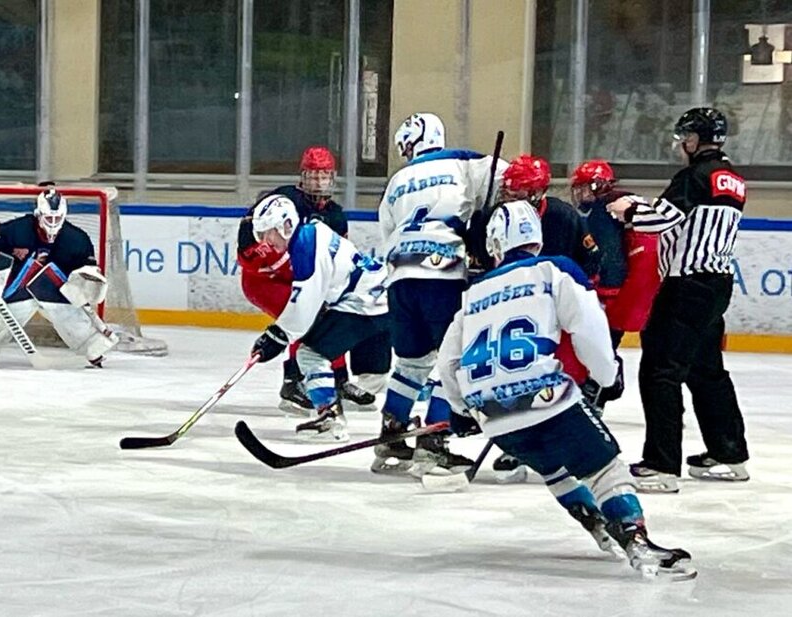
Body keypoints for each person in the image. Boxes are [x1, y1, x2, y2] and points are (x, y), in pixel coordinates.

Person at [435, 200, 695, 581]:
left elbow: (448, 363)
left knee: (554, 468)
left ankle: (595, 522)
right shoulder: (555, 269)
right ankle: (635, 540)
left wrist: (461, 411)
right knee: (605, 468)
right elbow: (589, 326)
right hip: (546, 400)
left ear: (494, 244)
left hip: (491, 415)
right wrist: (606, 375)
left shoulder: (473, 293)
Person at [607, 107, 750, 492]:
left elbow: (661, 220)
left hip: (686, 285)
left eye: (683, 137)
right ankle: (729, 454)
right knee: (706, 370)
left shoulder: (693, 176)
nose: (679, 144)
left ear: (693, 140)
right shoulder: (733, 179)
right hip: (716, 284)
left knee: (660, 369)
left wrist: (627, 210)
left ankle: (662, 465)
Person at [372, 112, 502, 476]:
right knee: (453, 358)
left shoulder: (397, 180)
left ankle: (392, 431)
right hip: (442, 274)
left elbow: (386, 232)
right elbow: (509, 184)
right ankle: (434, 440)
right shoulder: (464, 162)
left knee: (412, 363)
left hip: (400, 276)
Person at [237, 146, 383, 413]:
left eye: (324, 176)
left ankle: (338, 381)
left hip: (303, 279)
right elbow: (249, 232)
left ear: (332, 178)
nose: (318, 182)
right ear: (303, 176)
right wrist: (265, 260)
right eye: (313, 176)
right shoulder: (284, 199)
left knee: (329, 315)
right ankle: (293, 383)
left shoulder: (335, 215)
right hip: (265, 282)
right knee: (305, 315)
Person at [491, 154, 602, 480]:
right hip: (516, 307)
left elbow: (591, 260)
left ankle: (571, 441)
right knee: (517, 372)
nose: (508, 197)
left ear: (536, 192)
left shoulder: (563, 216)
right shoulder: (497, 217)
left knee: (566, 374)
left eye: (515, 192)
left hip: (558, 306)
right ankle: (522, 445)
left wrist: (575, 296)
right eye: (507, 191)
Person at [248, 194, 390, 441]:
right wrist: (279, 333)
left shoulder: (305, 246)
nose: (266, 242)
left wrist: (277, 336)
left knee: (310, 353)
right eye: (261, 235)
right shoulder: (310, 235)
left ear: (286, 225)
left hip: (367, 303)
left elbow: (304, 304)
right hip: (376, 296)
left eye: (268, 233)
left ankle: (330, 418)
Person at [0, 188, 117, 367]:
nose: (53, 223)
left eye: (57, 218)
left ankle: (93, 347)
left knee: (68, 313)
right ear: (38, 214)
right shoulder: (18, 229)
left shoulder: (77, 239)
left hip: (55, 290)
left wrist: (84, 283)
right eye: (48, 218)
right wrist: (6, 258)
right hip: (21, 287)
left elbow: (87, 270)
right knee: (12, 310)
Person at [571, 159, 661, 405]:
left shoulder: (604, 208)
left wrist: (597, 285)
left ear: (597, 185)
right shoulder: (630, 200)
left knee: (600, 343)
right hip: (652, 284)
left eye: (583, 188)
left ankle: (600, 390)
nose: (579, 195)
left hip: (618, 289)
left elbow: (608, 254)